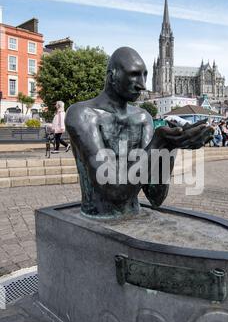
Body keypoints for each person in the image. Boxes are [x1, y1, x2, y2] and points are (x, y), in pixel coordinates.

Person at [65, 47, 213, 218]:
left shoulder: (143, 118)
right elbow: (114, 194)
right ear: (112, 76)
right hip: (98, 217)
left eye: (145, 75)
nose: (142, 85)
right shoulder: (82, 115)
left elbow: (156, 196)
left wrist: (170, 145)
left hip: (134, 214)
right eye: (134, 74)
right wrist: (159, 141)